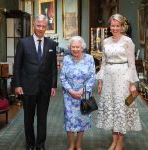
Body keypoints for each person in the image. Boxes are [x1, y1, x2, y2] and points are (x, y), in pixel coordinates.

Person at [96, 14, 142, 150]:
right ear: (109, 27)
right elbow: (103, 63)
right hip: (109, 78)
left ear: (122, 27)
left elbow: (132, 64)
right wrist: (100, 81)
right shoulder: (105, 42)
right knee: (111, 108)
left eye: (117, 26)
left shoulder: (128, 41)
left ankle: (120, 142)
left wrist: (132, 83)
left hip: (123, 77)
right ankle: (114, 141)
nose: (115, 28)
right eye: (112, 25)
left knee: (121, 108)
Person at [13, 14, 57, 150]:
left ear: (46, 27)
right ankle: (30, 144)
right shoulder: (23, 43)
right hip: (27, 86)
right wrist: (17, 84)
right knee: (28, 118)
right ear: (34, 25)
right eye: (38, 25)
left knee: (42, 118)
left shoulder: (51, 44)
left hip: (44, 87)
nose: (41, 28)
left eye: (43, 26)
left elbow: (53, 67)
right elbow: (17, 66)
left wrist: (53, 85)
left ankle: (40, 144)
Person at [60, 36, 96, 150]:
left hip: (84, 95)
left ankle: (79, 145)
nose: (75, 49)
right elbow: (62, 77)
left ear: (82, 47)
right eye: (73, 47)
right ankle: (71, 145)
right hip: (69, 95)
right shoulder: (66, 59)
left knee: (82, 119)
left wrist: (83, 90)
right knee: (70, 120)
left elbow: (92, 76)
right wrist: (70, 90)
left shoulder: (89, 59)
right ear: (70, 48)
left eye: (77, 47)